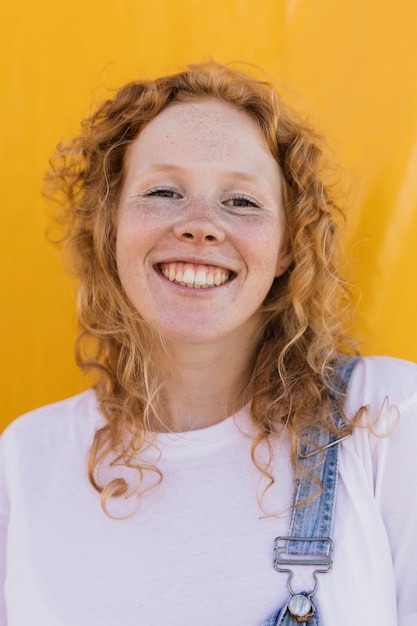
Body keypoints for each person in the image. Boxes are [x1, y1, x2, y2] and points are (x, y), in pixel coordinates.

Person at [0, 61, 416, 626]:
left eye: (241, 201)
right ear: (111, 227)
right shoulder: (25, 461)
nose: (200, 226)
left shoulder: (385, 418)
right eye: (165, 191)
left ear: (288, 246)